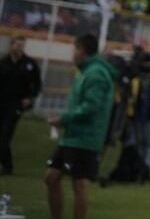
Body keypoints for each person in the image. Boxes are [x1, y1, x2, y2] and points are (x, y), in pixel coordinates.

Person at [44, 34, 117, 219]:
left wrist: (64, 119)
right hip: (73, 136)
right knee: (52, 177)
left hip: (86, 138)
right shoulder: (87, 70)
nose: (72, 53)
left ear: (82, 50)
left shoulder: (96, 73)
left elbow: (91, 106)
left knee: (80, 184)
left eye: (75, 49)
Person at [0, 35, 42, 174]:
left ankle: (7, 167)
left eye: (22, 46)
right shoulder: (3, 62)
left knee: (5, 136)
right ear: (11, 45)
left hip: (16, 105)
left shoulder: (30, 64)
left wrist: (30, 97)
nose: (20, 48)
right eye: (17, 45)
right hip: (2, 102)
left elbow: (37, 84)